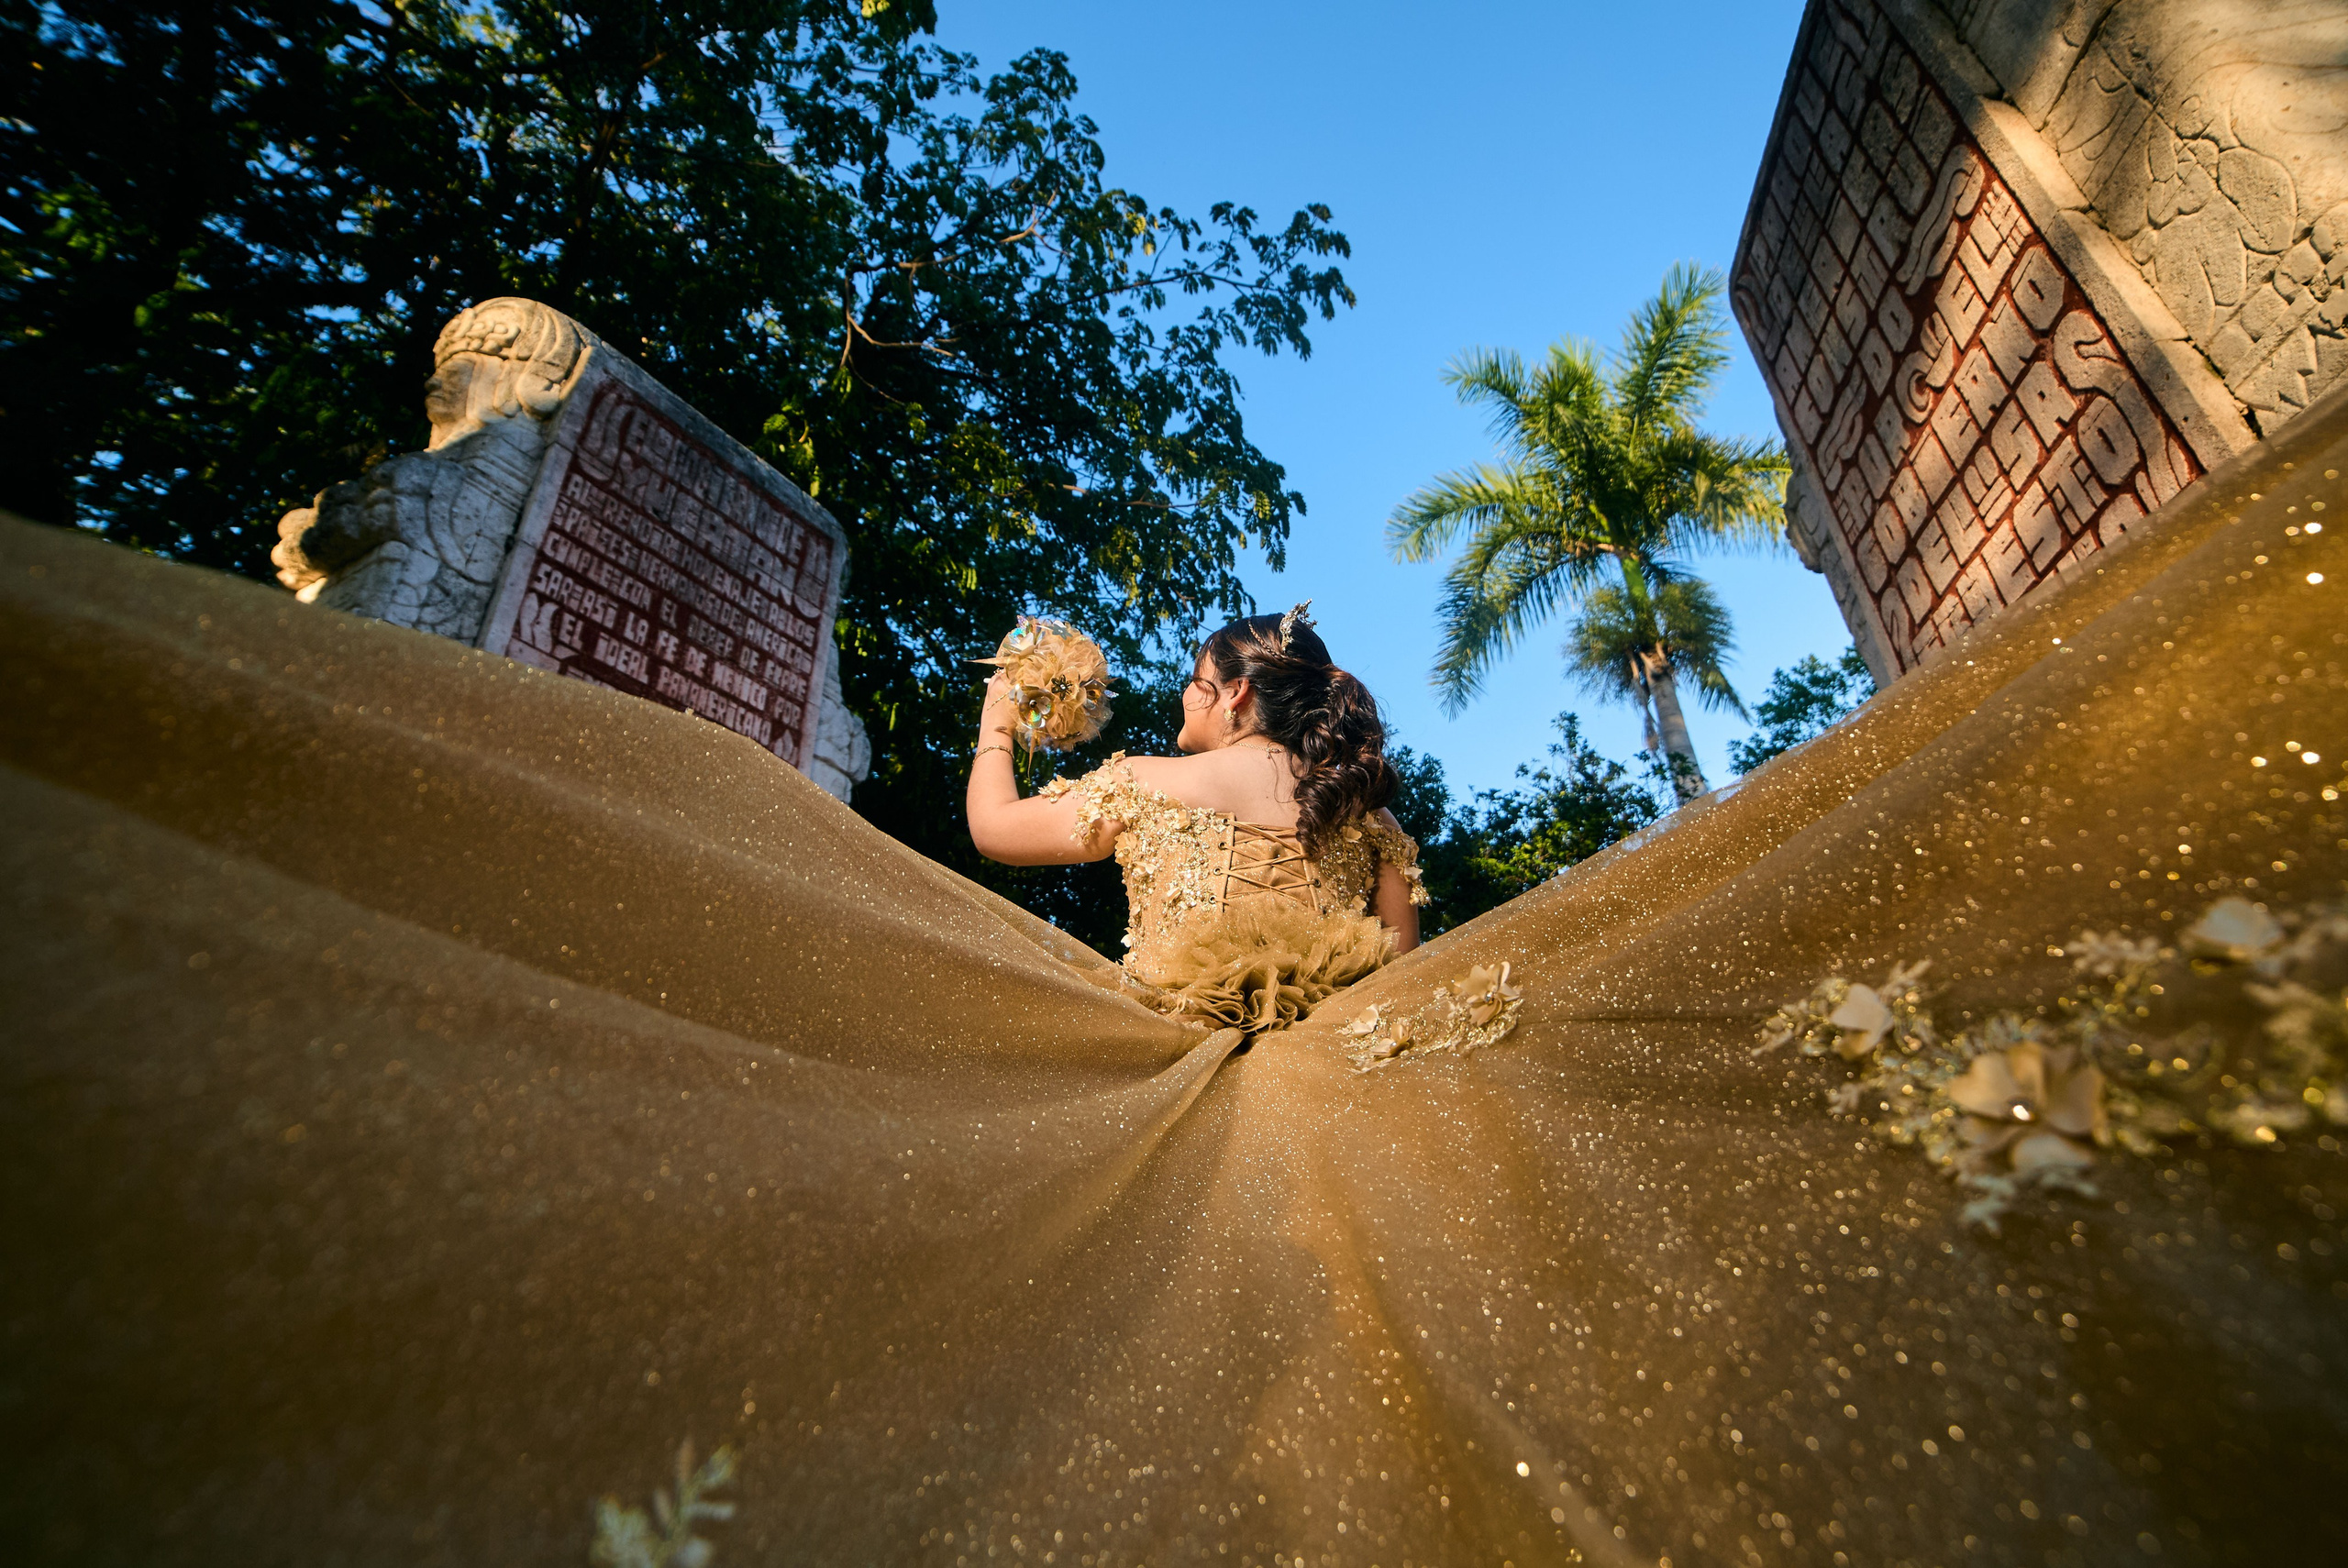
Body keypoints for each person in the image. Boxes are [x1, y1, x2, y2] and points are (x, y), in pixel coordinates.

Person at [966, 603, 1424, 1035]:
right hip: (1331, 1080)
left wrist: (997, 726)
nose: (1185, 694)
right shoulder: (1372, 816)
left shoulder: (1143, 781)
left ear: (1236, 692)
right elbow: (1402, 980)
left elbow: (994, 829)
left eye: (1195, 680)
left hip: (1170, 1055)